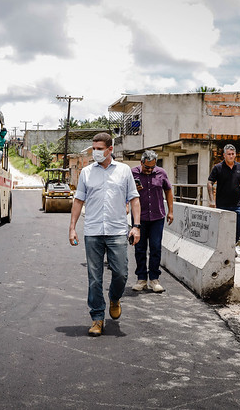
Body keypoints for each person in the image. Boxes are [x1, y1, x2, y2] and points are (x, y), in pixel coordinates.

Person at [69, 132, 141, 337]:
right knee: (94, 278)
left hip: (117, 231)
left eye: (100, 149)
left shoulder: (124, 171)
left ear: (110, 149)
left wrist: (136, 226)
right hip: (92, 231)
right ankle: (97, 318)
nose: (96, 152)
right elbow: (78, 200)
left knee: (121, 273)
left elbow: (134, 199)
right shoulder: (86, 173)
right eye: (94, 148)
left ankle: (115, 298)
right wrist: (72, 227)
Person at [131, 150, 174, 293]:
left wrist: (171, 211)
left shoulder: (161, 173)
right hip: (139, 218)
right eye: (146, 167)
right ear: (141, 162)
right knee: (140, 248)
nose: (149, 170)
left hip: (157, 217)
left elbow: (168, 191)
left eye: (152, 168)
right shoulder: (133, 173)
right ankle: (141, 279)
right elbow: (125, 192)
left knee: (155, 248)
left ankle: (154, 279)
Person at [207, 144, 240, 243]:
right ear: (224, 155)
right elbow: (210, 182)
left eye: (232, 154)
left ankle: (231, 245)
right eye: (228, 154)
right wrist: (211, 200)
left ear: (235, 154)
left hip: (237, 204)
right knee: (222, 229)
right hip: (222, 205)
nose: (231, 156)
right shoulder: (218, 168)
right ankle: (226, 247)